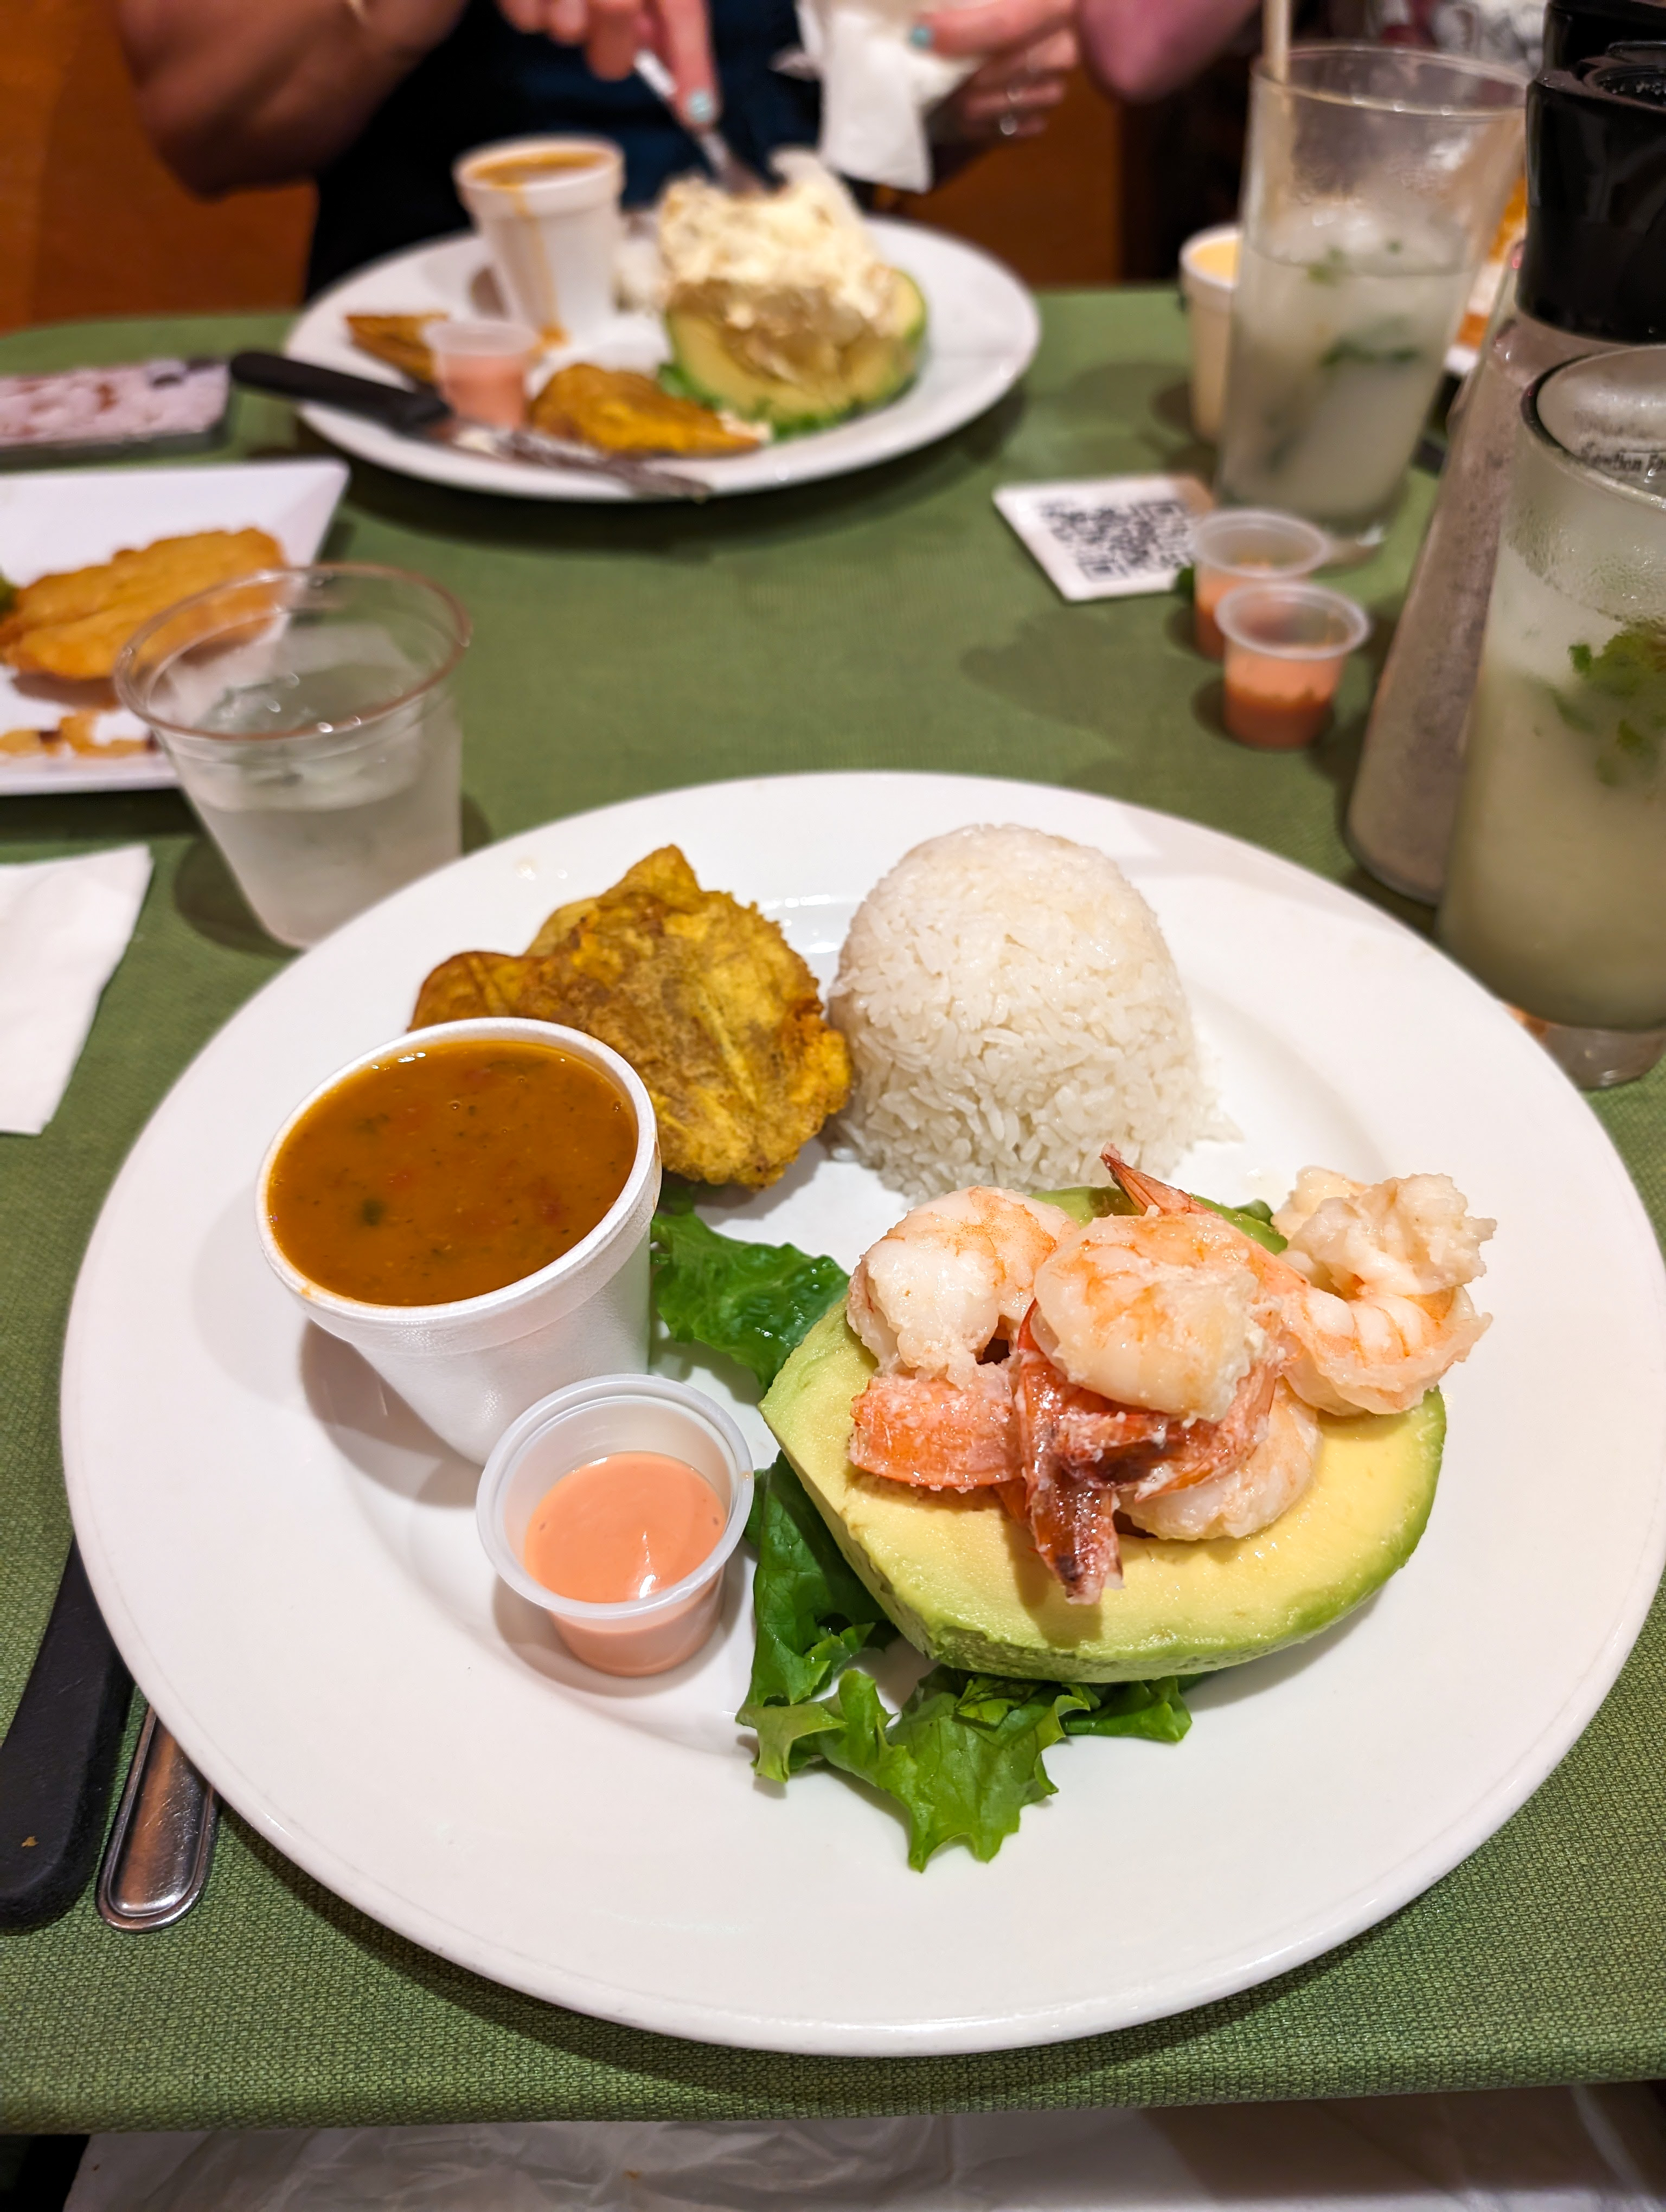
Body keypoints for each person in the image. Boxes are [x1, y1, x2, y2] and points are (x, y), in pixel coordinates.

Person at [117, 0, 1081, 294]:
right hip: (448, 399)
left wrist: (943, 97)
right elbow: (203, 130)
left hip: (817, 410)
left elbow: (856, 136)